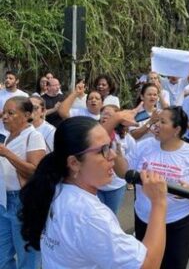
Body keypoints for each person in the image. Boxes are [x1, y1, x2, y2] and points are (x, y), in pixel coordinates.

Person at [19, 116, 167, 269]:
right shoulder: (89, 215)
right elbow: (148, 265)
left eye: (110, 146)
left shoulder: (55, 187)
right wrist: (159, 202)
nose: (113, 155)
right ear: (74, 163)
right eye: (102, 150)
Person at [114, 106, 189, 269]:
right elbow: (123, 173)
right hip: (144, 220)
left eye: (162, 122)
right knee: (145, 264)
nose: (156, 125)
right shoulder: (144, 146)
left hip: (178, 224)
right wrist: (117, 157)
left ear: (176, 129)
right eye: (157, 121)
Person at [0, 96, 46, 269]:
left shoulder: (34, 136)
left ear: (27, 114)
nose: (5, 117)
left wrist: (8, 154)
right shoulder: (5, 137)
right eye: (4, 112)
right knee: (2, 257)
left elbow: (35, 171)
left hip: (23, 202)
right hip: (3, 202)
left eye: (11, 113)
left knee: (27, 257)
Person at [97, 105, 133, 214]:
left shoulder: (125, 138)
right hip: (96, 185)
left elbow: (131, 159)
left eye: (110, 114)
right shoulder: (91, 135)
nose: (105, 116)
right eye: (103, 113)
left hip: (116, 185)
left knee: (111, 215)